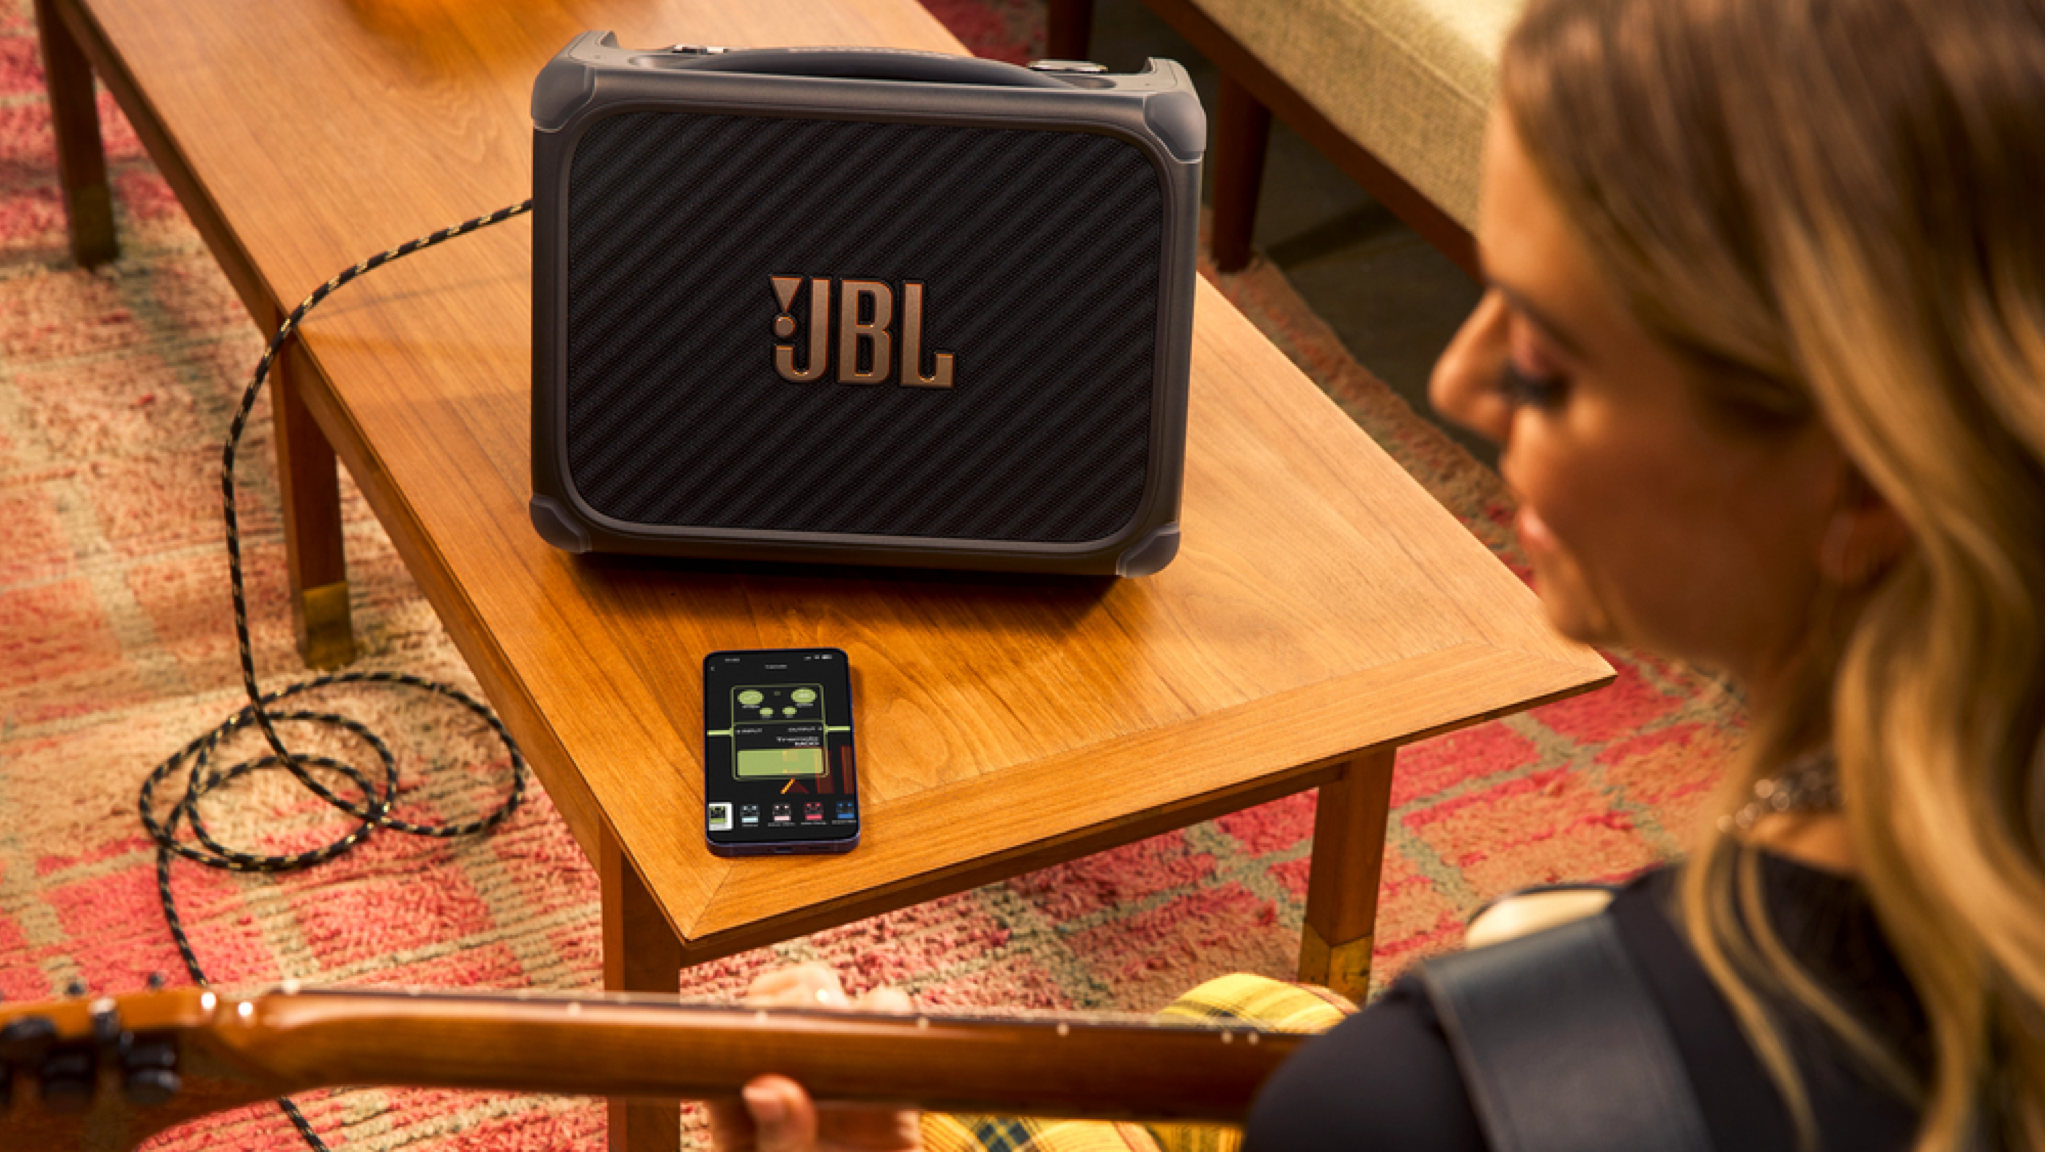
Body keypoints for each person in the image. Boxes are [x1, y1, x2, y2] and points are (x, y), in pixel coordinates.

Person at [709, 0, 2044, 1148]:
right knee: (1238, 1015)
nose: (1459, 381)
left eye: (1549, 358)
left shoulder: (1409, 1108)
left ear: (1866, 471)